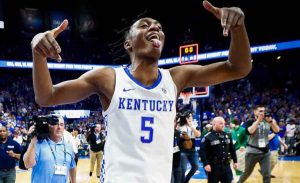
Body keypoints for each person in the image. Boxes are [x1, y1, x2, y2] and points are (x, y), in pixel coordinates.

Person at [30, 1, 252, 182]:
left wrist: (238, 27)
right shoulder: (108, 78)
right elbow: (46, 96)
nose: (155, 27)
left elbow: (239, 67)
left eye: (159, 27)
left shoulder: (176, 77)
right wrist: (38, 51)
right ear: (128, 44)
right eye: (145, 25)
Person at [23, 115, 76, 183]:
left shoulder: (68, 147)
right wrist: (33, 141)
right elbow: (28, 164)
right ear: (48, 126)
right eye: (55, 124)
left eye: (61, 125)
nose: (59, 127)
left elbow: (72, 167)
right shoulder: (38, 144)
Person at [237, 106, 280, 183]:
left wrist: (271, 122)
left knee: (266, 174)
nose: (262, 113)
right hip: (252, 152)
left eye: (263, 111)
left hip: (265, 152)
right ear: (255, 112)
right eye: (260, 111)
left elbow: (277, 130)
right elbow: (249, 132)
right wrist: (258, 121)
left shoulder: (268, 121)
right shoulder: (250, 121)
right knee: (247, 173)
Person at [200, 116, 237, 183]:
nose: (223, 125)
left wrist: (235, 161)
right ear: (214, 124)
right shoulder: (207, 137)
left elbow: (232, 149)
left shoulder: (227, 135)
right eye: (220, 123)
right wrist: (206, 164)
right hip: (214, 167)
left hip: (226, 166)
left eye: (224, 123)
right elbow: (202, 152)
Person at [177, 111, 201, 183]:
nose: (191, 118)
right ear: (185, 118)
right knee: (183, 169)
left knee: (196, 166)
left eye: (191, 117)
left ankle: (186, 180)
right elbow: (178, 135)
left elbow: (198, 135)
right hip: (183, 150)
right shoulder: (180, 126)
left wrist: (191, 126)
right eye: (189, 117)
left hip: (192, 150)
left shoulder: (194, 125)